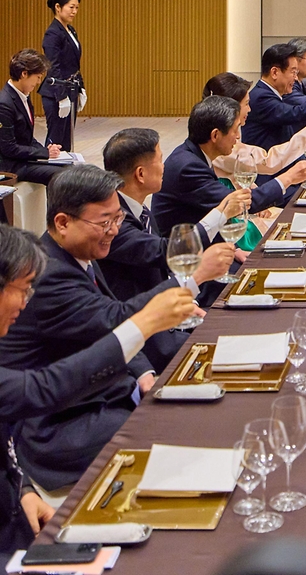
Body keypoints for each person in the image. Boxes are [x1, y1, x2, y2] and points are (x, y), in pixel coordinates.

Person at [0, 165, 233, 492]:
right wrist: (192, 278)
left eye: (117, 219)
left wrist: (142, 373)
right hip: (57, 422)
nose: (113, 230)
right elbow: (116, 317)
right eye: (104, 222)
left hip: (101, 391)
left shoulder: (77, 252)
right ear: (63, 222)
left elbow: (101, 323)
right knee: (185, 431)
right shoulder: (47, 273)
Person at [0, 224, 196, 560]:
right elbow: (43, 388)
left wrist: (23, 490)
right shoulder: (58, 277)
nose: (25, 302)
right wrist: (143, 323)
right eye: (23, 290)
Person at [100, 128, 250, 301]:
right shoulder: (114, 222)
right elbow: (165, 252)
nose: (164, 167)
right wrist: (220, 213)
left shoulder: (139, 209)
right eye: (160, 160)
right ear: (140, 174)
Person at [152, 96, 306, 236]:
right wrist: (288, 178)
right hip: (186, 253)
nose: (238, 137)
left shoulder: (195, 154)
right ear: (215, 135)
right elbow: (240, 204)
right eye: (235, 129)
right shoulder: (188, 167)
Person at [203, 72, 306, 183]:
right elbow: (268, 162)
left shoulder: (225, 128)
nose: (249, 109)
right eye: (246, 104)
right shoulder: (220, 139)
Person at [0, 50, 64, 185]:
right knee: (61, 175)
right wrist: (44, 153)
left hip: (22, 159)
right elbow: (8, 148)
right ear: (24, 73)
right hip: (10, 166)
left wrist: (47, 151)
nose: (39, 82)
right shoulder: (4, 103)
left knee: (70, 168)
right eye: (38, 77)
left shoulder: (23, 95)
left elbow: (26, 136)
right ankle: (57, 207)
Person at [241, 44, 306, 150]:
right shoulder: (261, 97)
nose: (295, 78)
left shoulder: (274, 94)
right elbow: (294, 113)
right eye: (293, 72)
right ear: (275, 72)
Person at [37, 0, 84, 151]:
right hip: (56, 93)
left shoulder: (71, 30)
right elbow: (52, 66)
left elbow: (73, 63)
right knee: (56, 140)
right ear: (58, 7)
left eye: (77, 8)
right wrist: (61, 96)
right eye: (71, 7)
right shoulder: (53, 33)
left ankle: (64, 173)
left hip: (70, 88)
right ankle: (48, 173)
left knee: (67, 139)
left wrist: (81, 87)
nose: (74, 11)